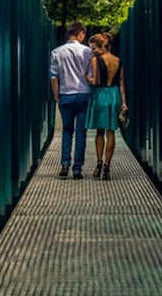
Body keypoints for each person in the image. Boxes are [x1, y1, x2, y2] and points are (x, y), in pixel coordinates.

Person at [50, 22, 93, 179]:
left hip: (65, 94)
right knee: (81, 132)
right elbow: (91, 75)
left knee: (67, 131)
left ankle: (64, 164)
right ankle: (77, 169)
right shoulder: (88, 51)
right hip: (83, 94)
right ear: (81, 33)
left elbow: (54, 77)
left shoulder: (57, 52)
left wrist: (57, 95)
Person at [84, 33, 127, 181]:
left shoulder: (95, 60)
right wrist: (124, 102)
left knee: (99, 132)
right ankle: (108, 166)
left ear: (103, 46)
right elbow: (121, 82)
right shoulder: (118, 60)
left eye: (94, 48)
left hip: (100, 95)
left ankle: (99, 163)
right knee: (111, 132)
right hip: (114, 95)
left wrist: (86, 77)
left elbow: (95, 81)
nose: (93, 51)